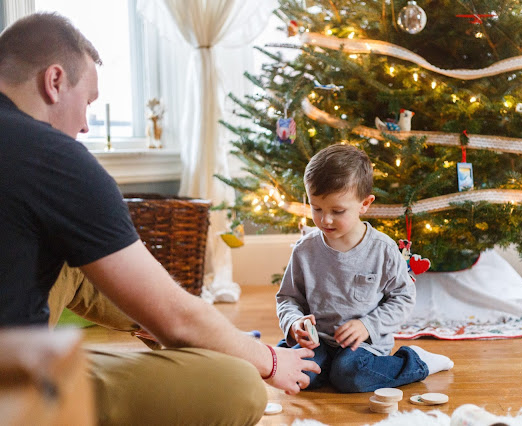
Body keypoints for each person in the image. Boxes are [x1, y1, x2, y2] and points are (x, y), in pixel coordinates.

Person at [0, 12, 320, 425]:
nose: (84, 123)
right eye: (89, 103)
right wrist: (271, 360)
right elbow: (178, 316)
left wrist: (163, 320)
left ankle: (149, 324)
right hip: (10, 387)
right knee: (237, 384)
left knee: (73, 262)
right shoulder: (53, 159)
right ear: (55, 81)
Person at [276, 144, 454, 393]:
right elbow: (287, 298)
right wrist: (294, 323)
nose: (325, 219)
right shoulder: (305, 250)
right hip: (320, 342)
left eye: (337, 211)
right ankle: (325, 367)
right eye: (317, 208)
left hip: (365, 345)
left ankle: (418, 363)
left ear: (365, 204)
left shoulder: (382, 249)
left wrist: (367, 325)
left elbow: (403, 298)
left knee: (350, 374)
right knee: (299, 374)